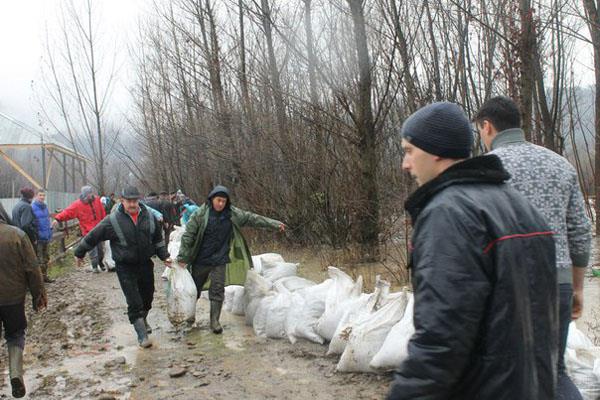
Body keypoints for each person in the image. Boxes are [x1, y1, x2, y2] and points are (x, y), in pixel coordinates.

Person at [387, 102, 557, 399]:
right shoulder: (516, 203)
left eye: (409, 150)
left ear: (436, 150)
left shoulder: (449, 214)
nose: (406, 163)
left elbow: (441, 338)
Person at [474, 95, 592, 400]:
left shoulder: (483, 169)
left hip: (507, 288)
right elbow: (579, 230)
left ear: (487, 127)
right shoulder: (560, 165)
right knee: (555, 372)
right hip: (558, 282)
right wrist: (577, 287)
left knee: (508, 376)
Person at [176, 185, 285, 334]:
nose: (221, 204)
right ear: (212, 199)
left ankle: (214, 321)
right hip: (201, 260)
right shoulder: (201, 214)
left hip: (220, 260)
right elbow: (189, 235)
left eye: (224, 201)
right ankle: (189, 317)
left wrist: (274, 224)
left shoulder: (232, 214)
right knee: (194, 289)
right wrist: (183, 257)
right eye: (218, 200)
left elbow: (252, 218)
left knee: (217, 290)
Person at [74, 186, 170, 348]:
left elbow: (157, 239)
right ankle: (142, 336)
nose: (132, 204)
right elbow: (93, 235)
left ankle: (143, 318)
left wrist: (164, 256)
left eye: (135, 201)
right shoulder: (113, 220)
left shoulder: (149, 216)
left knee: (148, 297)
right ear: (122, 201)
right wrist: (79, 252)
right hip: (125, 267)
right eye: (129, 201)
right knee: (134, 301)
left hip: (145, 264)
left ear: (139, 200)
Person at [0, 209, 47, 398]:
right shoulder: (17, 235)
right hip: (13, 299)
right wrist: (38, 295)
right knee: (15, 335)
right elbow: (32, 268)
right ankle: (16, 374)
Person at [52, 186, 107, 273]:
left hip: (99, 230)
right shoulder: (78, 205)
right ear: (84, 195)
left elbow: (102, 212)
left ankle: (100, 262)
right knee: (93, 250)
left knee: (100, 250)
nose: (90, 196)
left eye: (90, 194)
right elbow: (68, 212)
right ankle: (94, 266)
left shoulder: (97, 200)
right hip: (88, 232)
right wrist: (58, 218)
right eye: (88, 195)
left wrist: (105, 224)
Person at [31, 190, 55, 283]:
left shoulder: (45, 207)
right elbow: (32, 223)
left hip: (46, 236)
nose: (42, 197)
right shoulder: (32, 208)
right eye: (40, 195)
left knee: (46, 258)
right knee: (39, 259)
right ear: (36, 196)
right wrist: (35, 236)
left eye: (43, 195)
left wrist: (50, 231)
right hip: (38, 238)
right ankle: (39, 280)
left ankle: (45, 277)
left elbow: (47, 221)